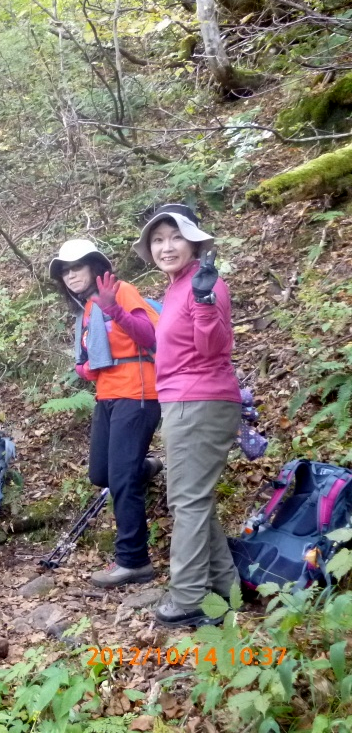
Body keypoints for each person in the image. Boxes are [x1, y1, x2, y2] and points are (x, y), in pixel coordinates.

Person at [132, 204, 241, 628]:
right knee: (191, 499)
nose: (165, 246)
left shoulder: (202, 283)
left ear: (193, 240)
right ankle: (223, 589)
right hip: (180, 400)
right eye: (157, 240)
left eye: (173, 236)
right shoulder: (177, 287)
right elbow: (166, 346)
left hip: (202, 401)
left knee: (189, 502)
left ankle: (188, 596)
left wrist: (205, 302)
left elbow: (213, 347)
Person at [50, 239, 161, 588]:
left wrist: (114, 308)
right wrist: (85, 370)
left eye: (77, 267)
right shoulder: (85, 310)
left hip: (139, 392)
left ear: (96, 268)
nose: (70, 275)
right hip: (108, 396)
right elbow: (90, 361)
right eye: (65, 271)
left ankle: (134, 561)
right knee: (102, 473)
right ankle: (148, 465)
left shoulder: (122, 291)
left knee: (122, 479)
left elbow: (150, 335)